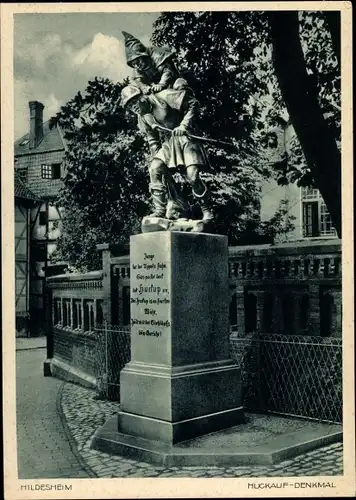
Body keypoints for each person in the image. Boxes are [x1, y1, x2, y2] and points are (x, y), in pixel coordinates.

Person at [121, 79, 213, 223]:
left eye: (134, 102)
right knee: (154, 168)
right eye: (130, 106)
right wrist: (160, 165)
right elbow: (153, 141)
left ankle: (207, 211)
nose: (134, 108)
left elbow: (193, 104)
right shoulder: (143, 117)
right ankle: (159, 211)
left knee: (193, 177)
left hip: (186, 137)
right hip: (169, 143)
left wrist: (184, 125)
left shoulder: (163, 96)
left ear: (141, 96)